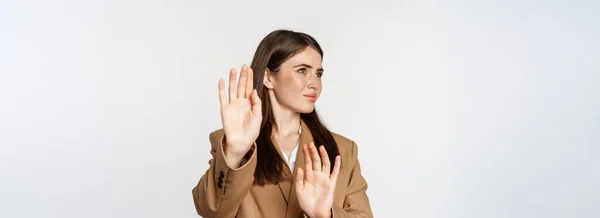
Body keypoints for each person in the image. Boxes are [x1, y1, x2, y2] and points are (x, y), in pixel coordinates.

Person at [192, 29, 373, 218]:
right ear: (268, 77)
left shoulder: (342, 149)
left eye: (318, 74)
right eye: (302, 71)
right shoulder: (229, 141)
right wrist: (235, 152)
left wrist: (325, 214)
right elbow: (211, 211)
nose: (315, 84)